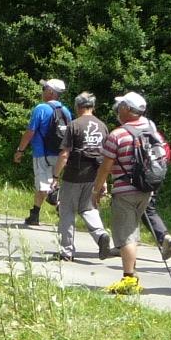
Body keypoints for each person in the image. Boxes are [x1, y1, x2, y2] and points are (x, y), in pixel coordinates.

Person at [95, 92, 171, 295]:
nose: (118, 109)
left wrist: (97, 189)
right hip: (147, 189)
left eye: (121, 105)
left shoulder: (117, 135)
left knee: (126, 236)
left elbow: (105, 167)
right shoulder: (152, 132)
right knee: (132, 231)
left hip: (125, 191)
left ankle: (129, 280)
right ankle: (133, 274)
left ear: (126, 109)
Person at [51, 92, 111, 261]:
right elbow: (106, 157)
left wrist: (55, 176)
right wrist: (103, 181)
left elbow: (64, 154)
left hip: (74, 175)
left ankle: (66, 252)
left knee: (67, 211)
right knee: (88, 208)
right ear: (93, 106)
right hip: (94, 175)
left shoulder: (74, 125)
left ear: (77, 106)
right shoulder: (102, 126)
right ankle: (101, 235)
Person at [16, 79, 71, 227]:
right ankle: (34, 214)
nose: (42, 91)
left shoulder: (41, 108)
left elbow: (30, 132)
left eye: (44, 88)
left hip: (42, 154)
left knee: (44, 186)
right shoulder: (66, 111)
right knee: (48, 183)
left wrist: (20, 150)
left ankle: (60, 206)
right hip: (60, 155)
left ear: (51, 92)